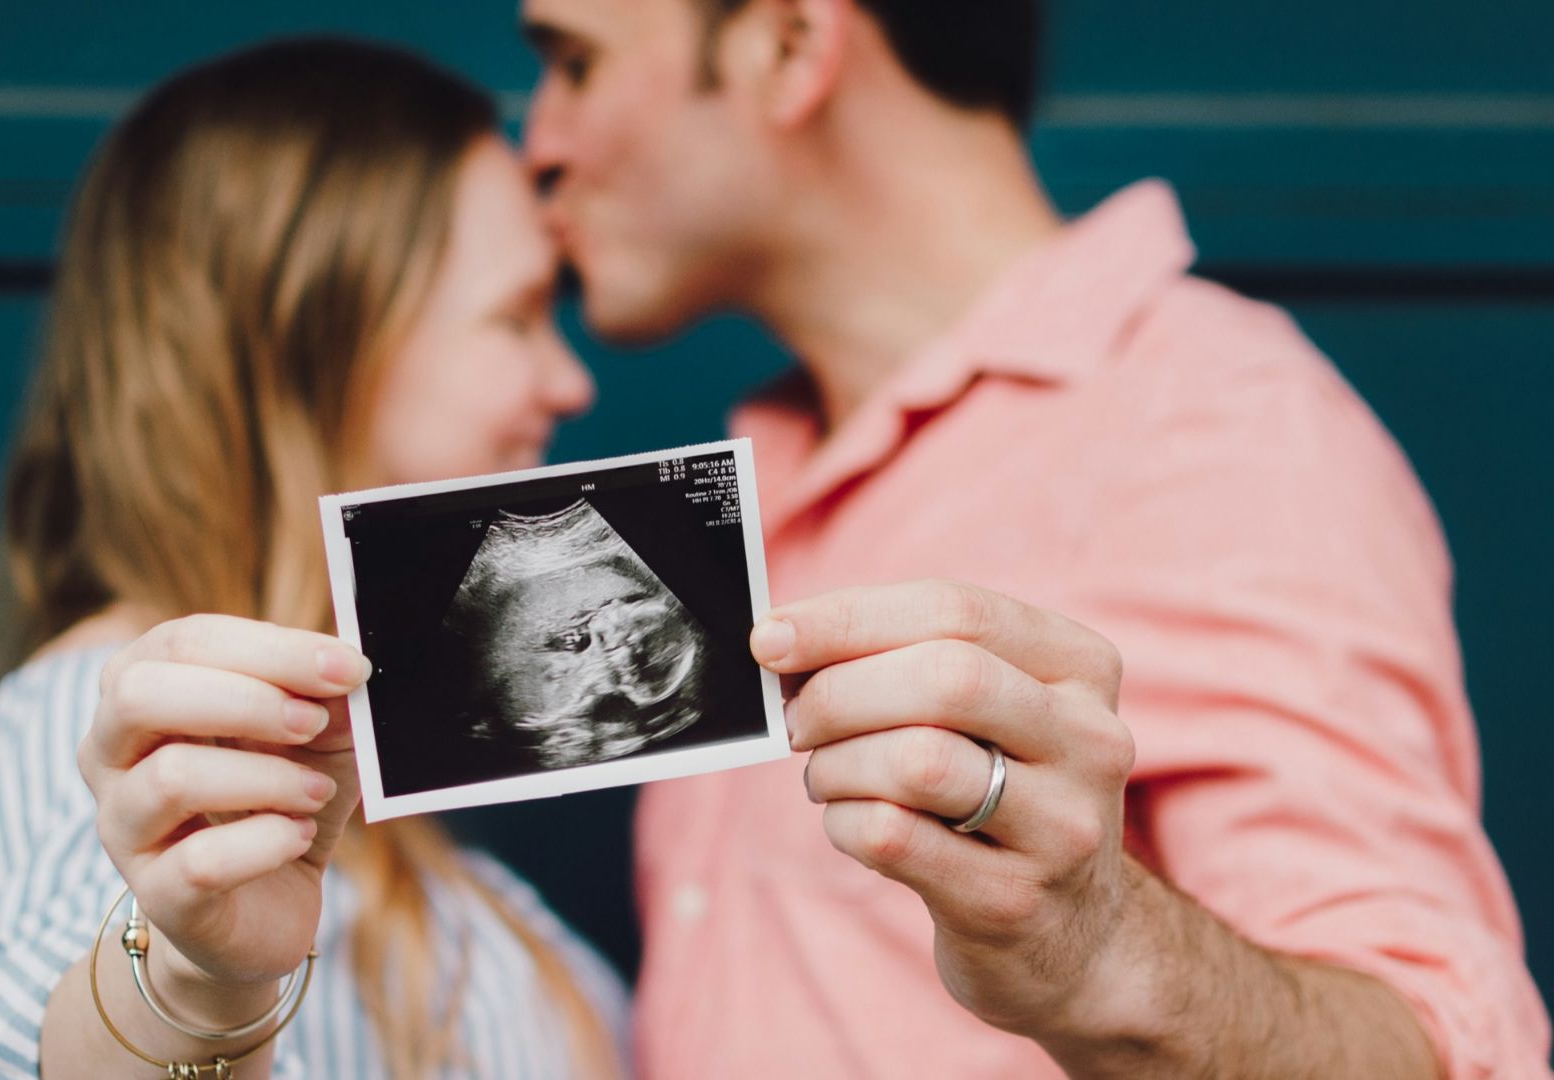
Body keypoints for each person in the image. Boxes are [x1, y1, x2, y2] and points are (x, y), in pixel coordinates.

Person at [516, 0, 1552, 1077]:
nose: (537, 143)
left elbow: (1442, 1051)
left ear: (788, 44)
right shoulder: (746, 481)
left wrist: (1099, 951)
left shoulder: (1211, 425)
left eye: (576, 64)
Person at [0, 39, 627, 1080]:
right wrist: (199, 983)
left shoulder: (365, 785)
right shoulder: (118, 732)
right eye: (516, 317)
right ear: (316, 342)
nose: (568, 383)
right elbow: (27, 1044)